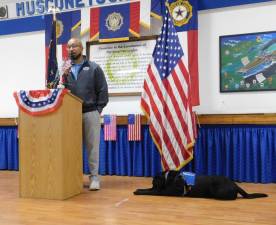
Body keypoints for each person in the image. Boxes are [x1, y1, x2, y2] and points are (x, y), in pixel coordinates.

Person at [61, 38, 108, 190]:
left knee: (92, 147)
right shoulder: (65, 70)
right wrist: (63, 76)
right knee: (72, 147)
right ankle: (74, 177)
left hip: (90, 112)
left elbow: (103, 91)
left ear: (81, 48)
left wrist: (97, 110)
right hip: (70, 116)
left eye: (74, 46)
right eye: (68, 47)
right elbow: (58, 90)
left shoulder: (93, 68)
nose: (71, 49)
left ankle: (94, 178)